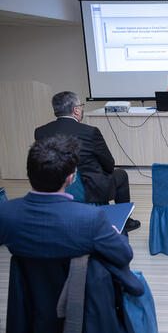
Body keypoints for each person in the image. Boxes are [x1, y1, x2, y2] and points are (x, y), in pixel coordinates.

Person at [0, 135, 144, 333]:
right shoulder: (89, 219)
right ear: (71, 177)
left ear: (29, 173)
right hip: (83, 307)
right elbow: (123, 255)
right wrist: (113, 234)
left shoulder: (6, 213)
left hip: (29, 305)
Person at [35, 91, 140, 232]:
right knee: (121, 175)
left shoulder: (40, 132)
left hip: (54, 187)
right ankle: (125, 221)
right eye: (81, 106)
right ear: (76, 110)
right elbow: (109, 164)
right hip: (88, 190)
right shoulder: (90, 132)